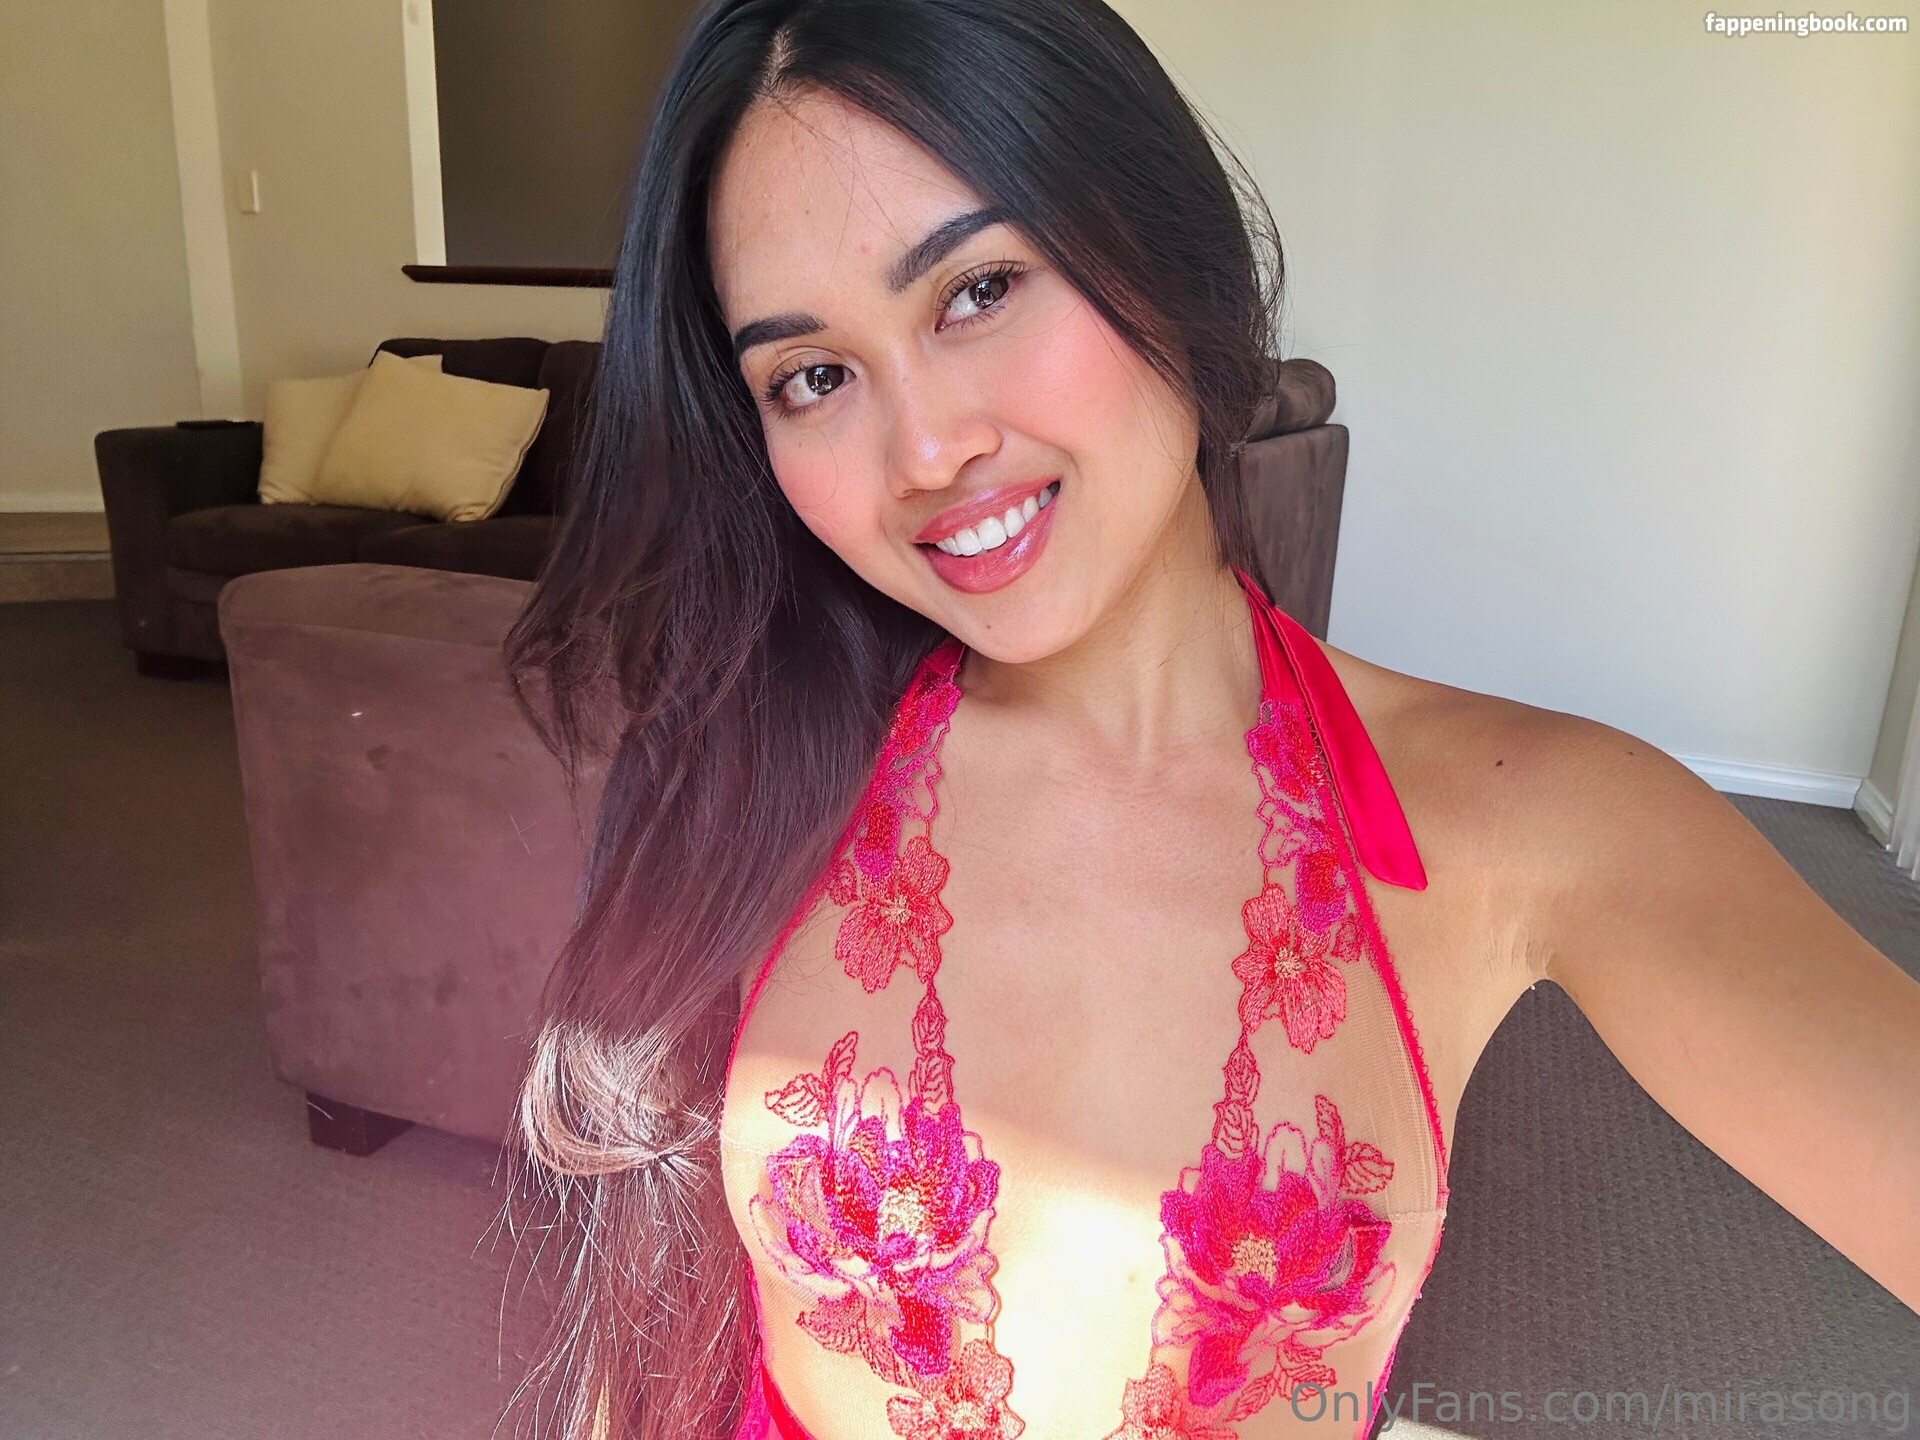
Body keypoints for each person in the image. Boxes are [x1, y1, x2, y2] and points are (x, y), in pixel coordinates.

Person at [501, 1, 1920, 1437]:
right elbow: (650, 1332)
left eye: (978, 290)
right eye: (813, 376)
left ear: (1163, 253)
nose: (926, 451)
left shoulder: (1539, 820)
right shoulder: (749, 765)